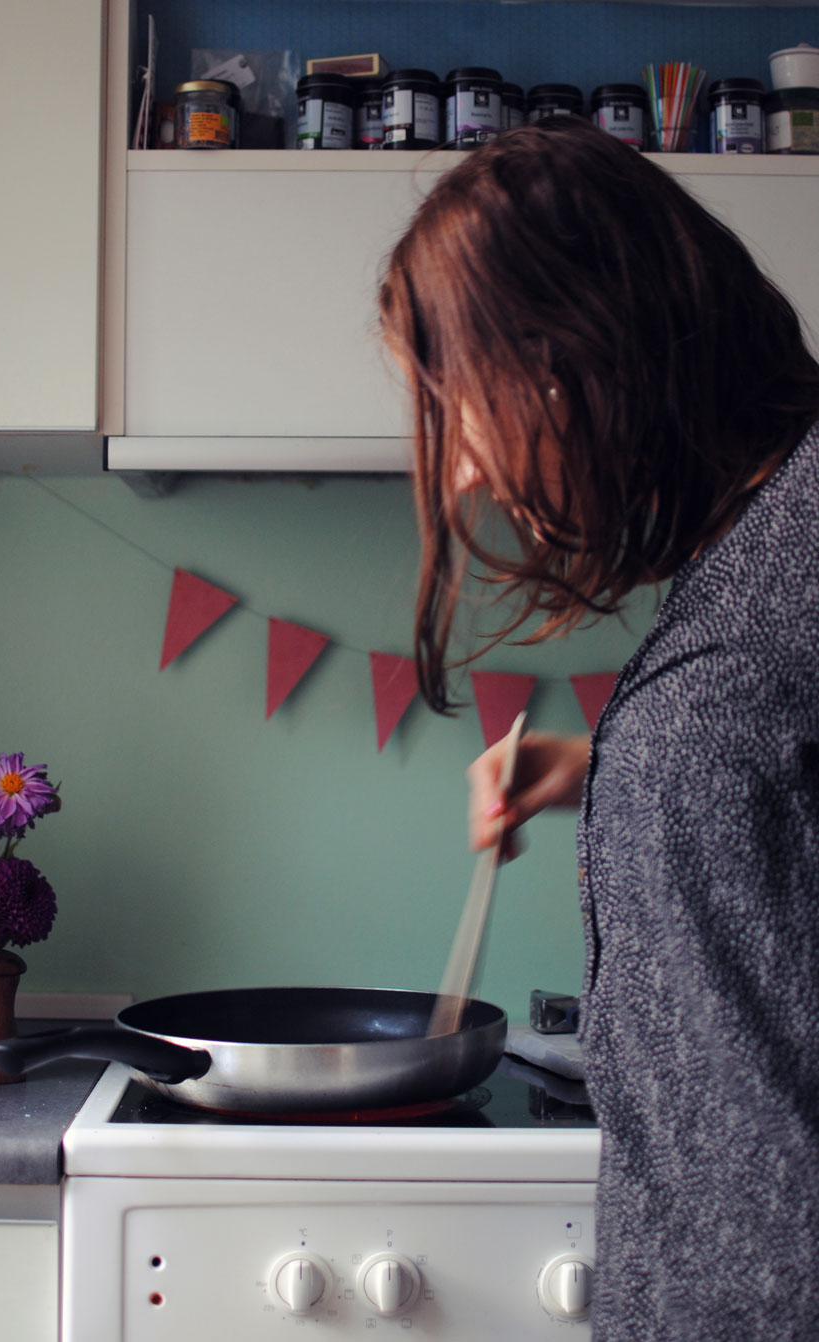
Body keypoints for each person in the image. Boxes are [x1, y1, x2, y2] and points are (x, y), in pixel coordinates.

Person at [379, 116, 819, 1340]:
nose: (460, 471)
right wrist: (617, 766)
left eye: (459, 405)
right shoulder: (761, 547)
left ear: (565, 360)